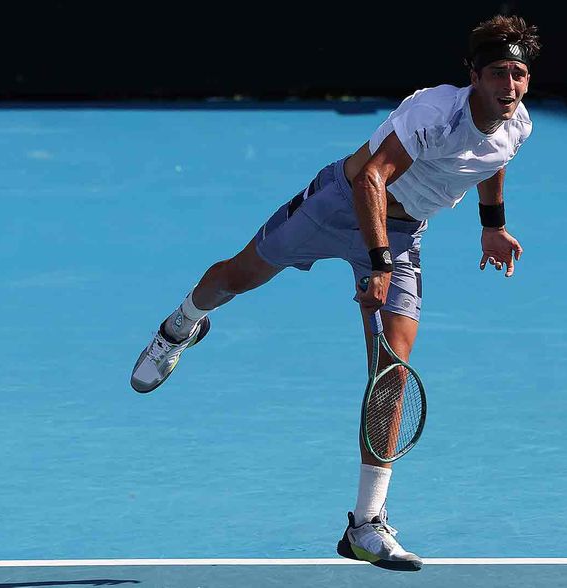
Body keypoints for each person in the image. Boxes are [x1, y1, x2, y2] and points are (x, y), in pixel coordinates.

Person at [130, 15, 541, 572]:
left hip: (403, 234)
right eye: (497, 73)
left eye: (518, 74)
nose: (509, 86)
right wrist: (378, 262)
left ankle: (365, 525)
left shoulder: (518, 125)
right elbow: (371, 176)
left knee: (392, 370)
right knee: (238, 276)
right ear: (473, 75)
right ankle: (181, 325)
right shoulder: (434, 113)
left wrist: (492, 225)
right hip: (337, 206)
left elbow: (492, 162)